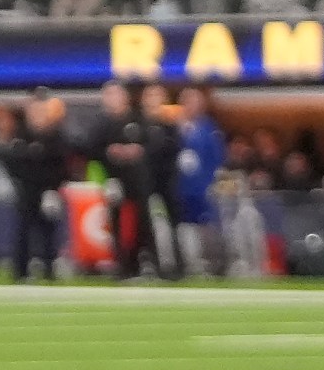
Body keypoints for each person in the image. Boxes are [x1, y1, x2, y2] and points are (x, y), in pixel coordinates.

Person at [0, 93, 69, 281]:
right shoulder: (20, 137)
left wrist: (53, 189)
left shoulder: (56, 137)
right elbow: (12, 163)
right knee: (23, 231)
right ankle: (20, 273)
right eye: (34, 111)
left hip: (48, 192)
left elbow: (63, 166)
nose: (37, 115)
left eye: (41, 111)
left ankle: (49, 272)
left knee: (48, 233)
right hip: (26, 191)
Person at [92, 81, 158, 278]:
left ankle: (145, 261)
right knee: (117, 223)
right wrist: (110, 154)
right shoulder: (101, 125)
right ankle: (122, 266)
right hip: (114, 180)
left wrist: (136, 151)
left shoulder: (138, 120)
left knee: (143, 221)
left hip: (138, 181)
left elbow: (151, 146)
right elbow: (91, 149)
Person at [172, 87, 226, 277]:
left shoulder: (209, 129)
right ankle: (188, 263)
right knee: (183, 226)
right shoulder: (174, 127)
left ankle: (212, 264)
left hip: (202, 188)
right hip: (180, 188)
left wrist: (213, 182)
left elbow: (217, 158)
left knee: (206, 225)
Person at [138, 83, 186, 279]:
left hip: (167, 181)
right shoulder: (137, 125)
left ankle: (178, 265)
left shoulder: (170, 126)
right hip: (144, 181)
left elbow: (174, 151)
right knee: (146, 225)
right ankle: (151, 263)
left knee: (173, 223)